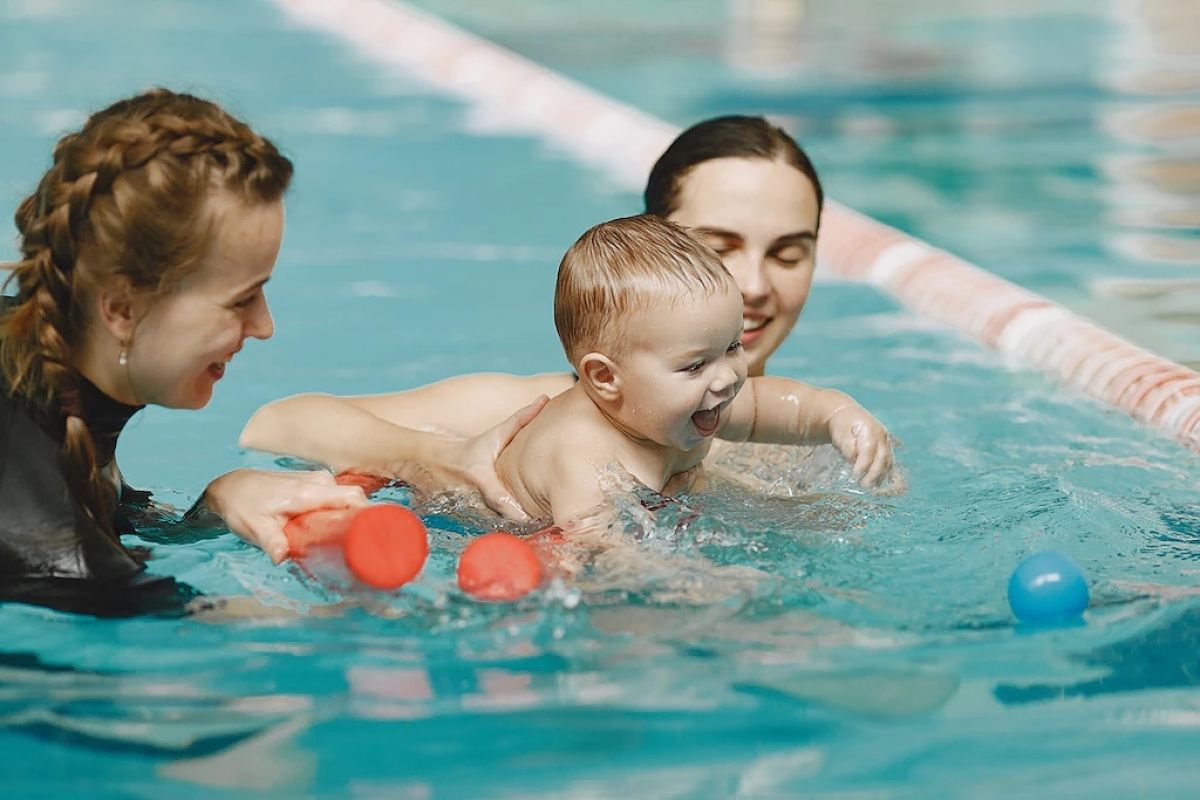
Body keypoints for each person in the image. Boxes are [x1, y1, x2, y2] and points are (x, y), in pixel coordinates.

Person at [0, 88, 536, 616]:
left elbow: (107, 519)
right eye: (240, 301)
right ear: (120, 309)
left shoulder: (39, 375)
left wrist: (217, 502)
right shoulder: (54, 549)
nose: (264, 326)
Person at [240, 115, 864, 494]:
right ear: (653, 244)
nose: (754, 285)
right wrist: (440, 459)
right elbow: (276, 424)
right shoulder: (544, 413)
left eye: (788, 254)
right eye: (717, 247)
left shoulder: (813, 443)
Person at [495, 215, 891, 523]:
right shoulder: (583, 457)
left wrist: (837, 415)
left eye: (732, 346)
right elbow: (608, 563)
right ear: (605, 377)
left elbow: (780, 408)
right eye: (695, 365)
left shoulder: (691, 403)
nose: (728, 377)